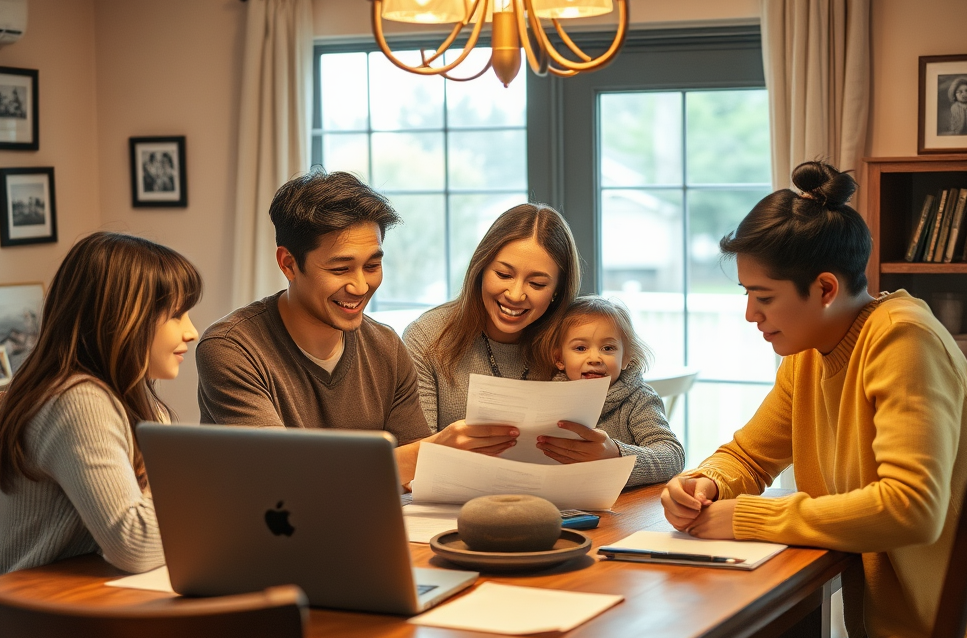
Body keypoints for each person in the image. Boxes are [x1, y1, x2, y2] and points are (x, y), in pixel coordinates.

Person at [655, 161, 967, 638]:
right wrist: (706, 483)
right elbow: (750, 455)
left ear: (825, 288)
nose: (749, 314)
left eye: (762, 296)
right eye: (746, 294)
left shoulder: (903, 337)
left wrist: (749, 517)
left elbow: (910, 506)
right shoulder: (809, 352)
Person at [0, 233, 251, 638]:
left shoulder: (141, 404)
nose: (192, 332)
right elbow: (138, 542)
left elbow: (173, 513)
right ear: (119, 318)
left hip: (95, 635)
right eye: (175, 314)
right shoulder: (77, 401)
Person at [196, 169, 518, 487]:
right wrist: (431, 453)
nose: (361, 286)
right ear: (289, 264)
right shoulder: (231, 349)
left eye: (373, 266)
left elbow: (413, 481)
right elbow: (284, 475)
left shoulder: (386, 347)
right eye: (340, 269)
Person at [402, 202, 581, 459]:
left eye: (537, 283)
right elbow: (410, 465)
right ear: (481, 269)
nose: (516, 294)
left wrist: (613, 452)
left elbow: (658, 445)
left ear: (557, 292)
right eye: (503, 274)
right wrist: (441, 445)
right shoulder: (428, 337)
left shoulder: (578, 339)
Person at [537, 295, 684, 485]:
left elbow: (673, 455)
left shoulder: (639, 399)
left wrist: (616, 453)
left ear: (626, 358)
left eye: (608, 348)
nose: (595, 358)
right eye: (580, 348)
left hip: (624, 507)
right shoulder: (545, 396)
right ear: (559, 358)